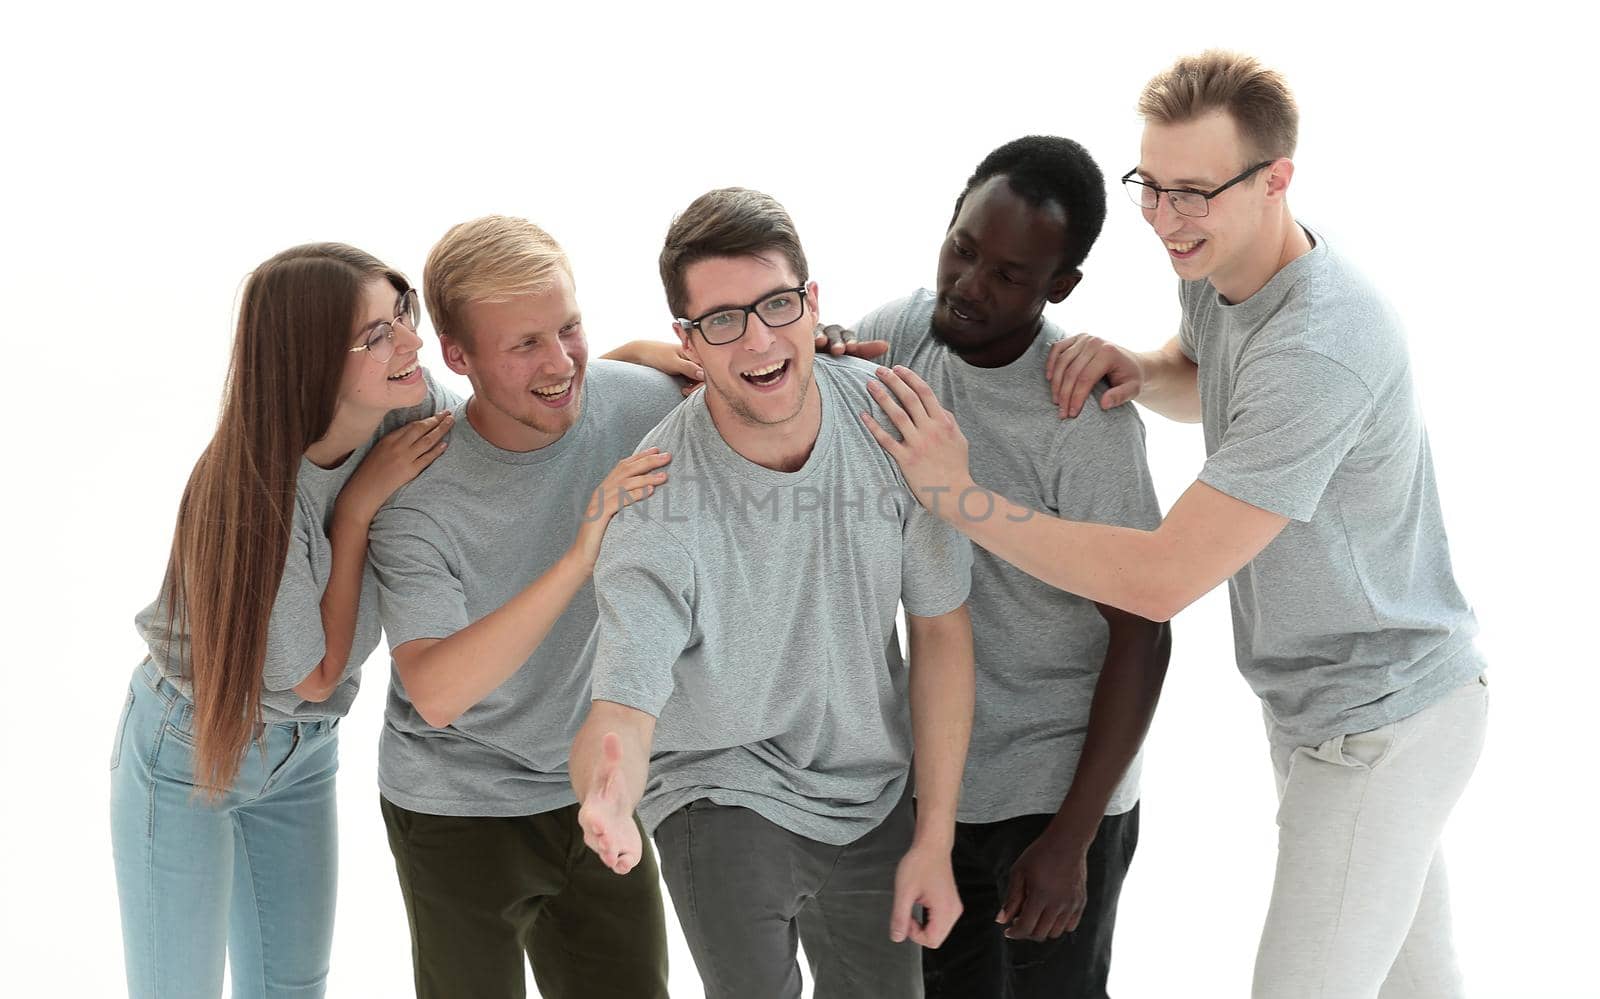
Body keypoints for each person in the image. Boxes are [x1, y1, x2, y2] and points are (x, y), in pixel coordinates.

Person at [865, 51, 1487, 999]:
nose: (1165, 220)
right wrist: (1137, 369)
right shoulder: (1222, 270)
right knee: (1419, 984)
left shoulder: (1325, 346)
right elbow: (1205, 375)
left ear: (1277, 179)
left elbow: (1158, 583)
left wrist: (958, 497)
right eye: (1152, 188)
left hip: (1385, 720)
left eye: (1193, 192)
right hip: (1322, 711)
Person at [571, 187, 976, 999]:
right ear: (688, 341)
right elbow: (625, 698)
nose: (758, 337)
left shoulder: (897, 429)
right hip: (721, 783)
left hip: (868, 787)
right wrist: (609, 793)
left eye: (776, 304)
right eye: (722, 320)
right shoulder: (658, 499)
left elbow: (940, 633)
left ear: (811, 301)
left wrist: (934, 837)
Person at [845, 135, 1170, 999]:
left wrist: (1072, 839)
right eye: (964, 249)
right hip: (943, 775)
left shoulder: (1083, 417)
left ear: (1058, 286)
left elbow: (1146, 631)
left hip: (1060, 784)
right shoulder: (903, 333)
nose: (969, 286)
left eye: (1010, 275)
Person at [110, 242, 456, 999]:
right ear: (308, 360)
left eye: (403, 311)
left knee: (292, 986)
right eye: (377, 334)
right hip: (193, 743)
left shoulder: (404, 403)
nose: (412, 341)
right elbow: (317, 670)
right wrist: (359, 507)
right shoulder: (254, 493)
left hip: (304, 749)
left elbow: (507, 419)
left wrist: (638, 355)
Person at [366, 215, 682, 999]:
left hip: (591, 786)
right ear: (458, 357)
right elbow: (436, 691)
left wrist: (828, 347)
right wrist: (582, 552)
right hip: (455, 801)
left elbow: (754, 386)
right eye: (526, 344)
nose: (561, 361)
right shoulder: (420, 497)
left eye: (568, 327)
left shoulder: (635, 402)